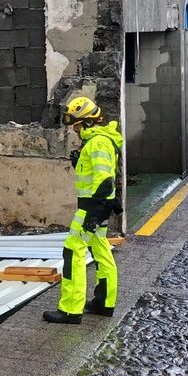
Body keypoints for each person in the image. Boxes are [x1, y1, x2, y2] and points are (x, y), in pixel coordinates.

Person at [42, 96, 122, 324]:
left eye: (76, 124)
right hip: (99, 204)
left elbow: (105, 179)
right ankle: (104, 302)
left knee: (73, 250)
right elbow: (102, 175)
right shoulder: (101, 140)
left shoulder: (97, 142)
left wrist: (95, 214)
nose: (74, 129)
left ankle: (70, 309)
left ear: (86, 121)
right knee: (101, 250)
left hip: (92, 206)